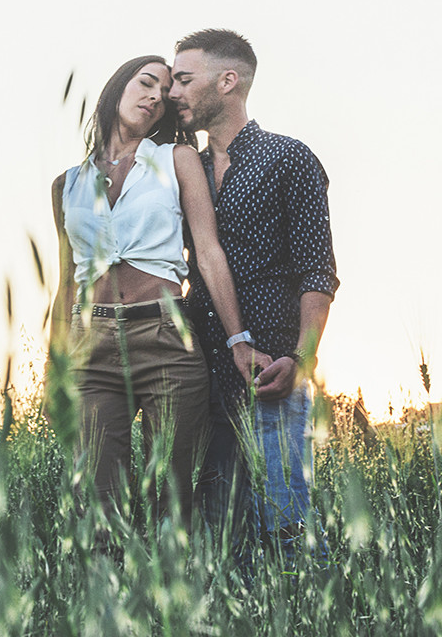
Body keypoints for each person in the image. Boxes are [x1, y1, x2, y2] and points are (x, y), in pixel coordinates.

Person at [48, 54, 260, 523]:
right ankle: (109, 596)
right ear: (117, 87)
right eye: (145, 83)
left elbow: (208, 253)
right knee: (101, 509)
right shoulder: (66, 185)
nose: (154, 97)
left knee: (174, 502)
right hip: (91, 350)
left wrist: (238, 339)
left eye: (163, 95)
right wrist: (55, 364)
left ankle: (173, 593)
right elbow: (65, 284)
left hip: (165, 339)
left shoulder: (176, 159)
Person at [167, 29, 339, 547]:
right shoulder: (183, 169)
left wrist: (301, 359)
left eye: (183, 79)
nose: (173, 92)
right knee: (220, 532)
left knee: (286, 524)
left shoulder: (288, 158)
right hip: (201, 372)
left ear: (228, 80)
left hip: (271, 371)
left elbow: (318, 270)